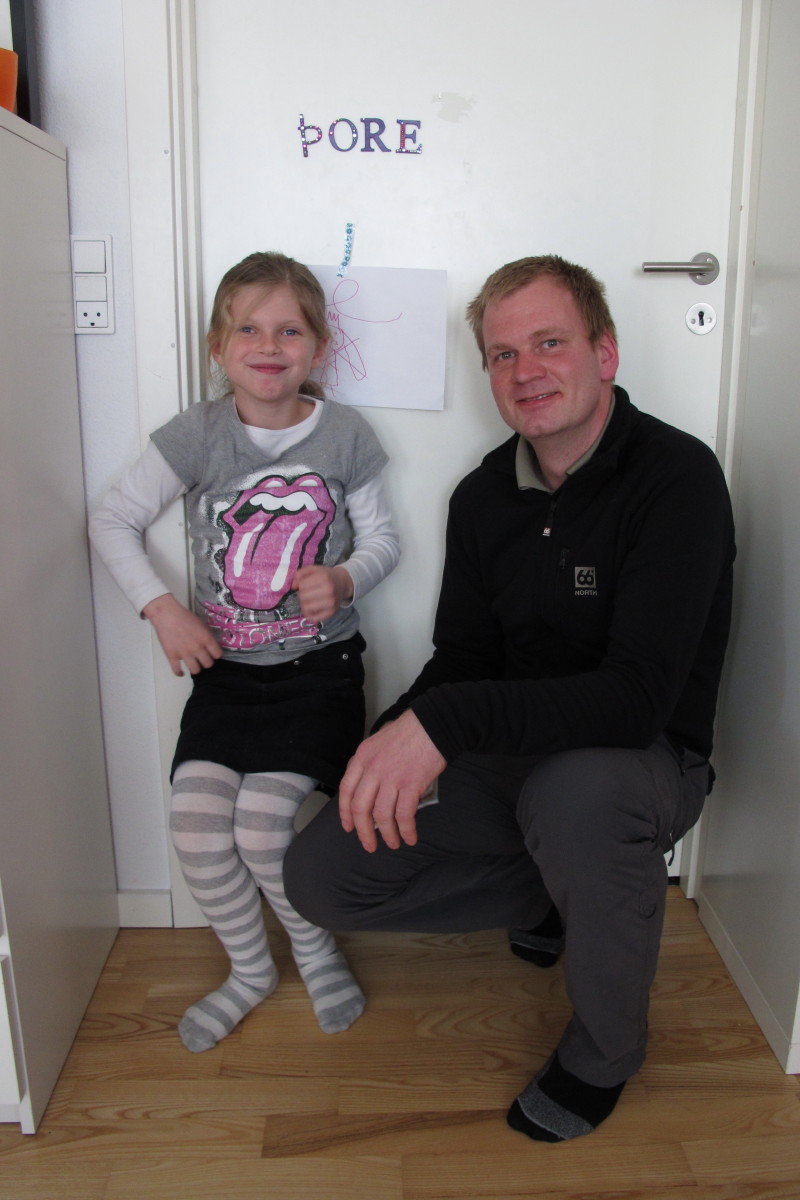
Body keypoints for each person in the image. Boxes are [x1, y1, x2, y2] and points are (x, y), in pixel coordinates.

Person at [283, 254, 735, 1141]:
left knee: (578, 796)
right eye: (502, 354)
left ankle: (606, 1053)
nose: (526, 370)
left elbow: (637, 699)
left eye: (549, 343)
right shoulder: (484, 496)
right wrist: (387, 746)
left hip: (643, 761)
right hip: (519, 757)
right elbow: (465, 658)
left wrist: (442, 725)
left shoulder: (676, 478)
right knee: (324, 873)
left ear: (605, 353)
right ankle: (554, 896)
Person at [90, 250, 400, 1052]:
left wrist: (345, 576)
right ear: (218, 348)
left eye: (289, 330)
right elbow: (112, 519)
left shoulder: (346, 435)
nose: (269, 346)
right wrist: (162, 609)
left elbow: (384, 540)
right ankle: (250, 969)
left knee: (262, 828)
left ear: (318, 346)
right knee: (195, 825)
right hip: (226, 679)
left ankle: (314, 950)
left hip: (320, 674)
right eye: (248, 330)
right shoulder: (197, 435)